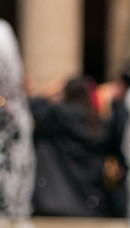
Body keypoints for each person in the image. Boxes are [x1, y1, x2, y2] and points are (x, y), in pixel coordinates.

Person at [30, 76, 117, 217]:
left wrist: (48, 93)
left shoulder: (56, 115)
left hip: (53, 203)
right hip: (90, 205)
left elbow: (32, 107)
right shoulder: (99, 123)